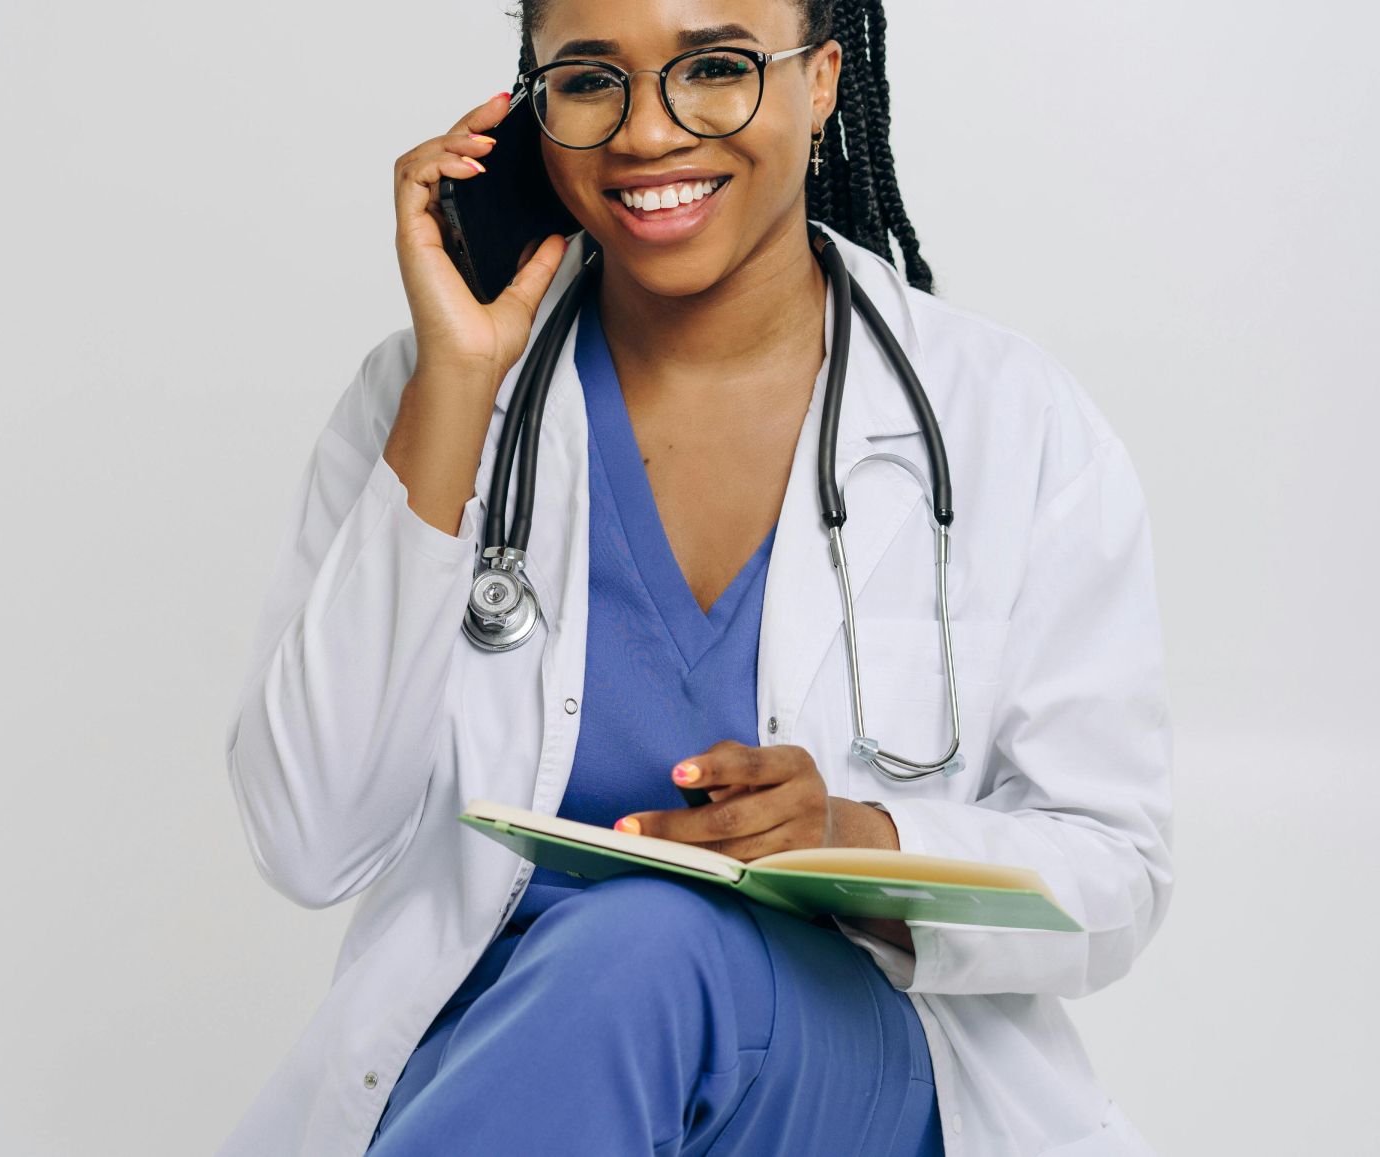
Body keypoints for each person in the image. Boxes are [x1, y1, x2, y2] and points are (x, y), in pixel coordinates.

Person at [221, 0, 1173, 1153]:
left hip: (841, 1074)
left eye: (714, 67)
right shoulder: (429, 398)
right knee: (612, 968)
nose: (647, 133)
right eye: (587, 79)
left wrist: (856, 837)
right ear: (530, 105)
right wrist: (458, 385)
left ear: (822, 81)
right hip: (487, 1069)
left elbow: (1114, 876)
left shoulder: (1009, 426)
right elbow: (308, 839)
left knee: (648, 941)